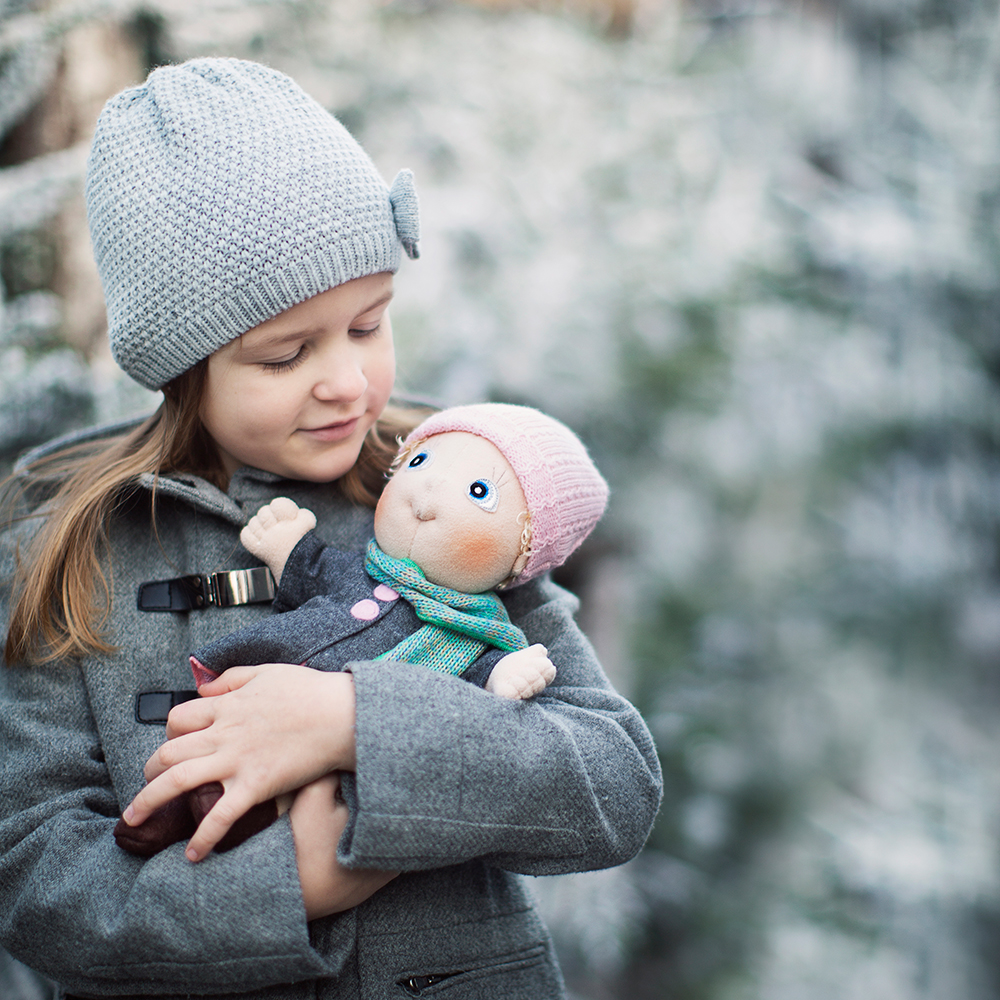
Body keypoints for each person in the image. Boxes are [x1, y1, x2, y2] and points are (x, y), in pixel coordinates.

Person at [0, 58, 663, 1000]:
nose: (347, 382)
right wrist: (290, 887)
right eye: (285, 353)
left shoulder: (452, 494)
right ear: (183, 366)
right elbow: (36, 882)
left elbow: (611, 784)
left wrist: (356, 724)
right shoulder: (67, 550)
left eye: (368, 324)